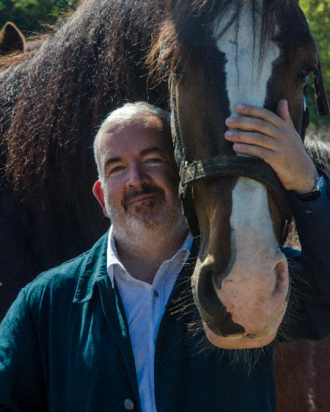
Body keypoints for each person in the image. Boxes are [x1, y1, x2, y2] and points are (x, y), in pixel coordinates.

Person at [0, 101, 330, 412]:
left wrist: (307, 183)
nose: (136, 180)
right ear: (102, 197)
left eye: (152, 159)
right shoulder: (44, 304)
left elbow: (323, 301)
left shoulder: (242, 276)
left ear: (182, 174)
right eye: (117, 168)